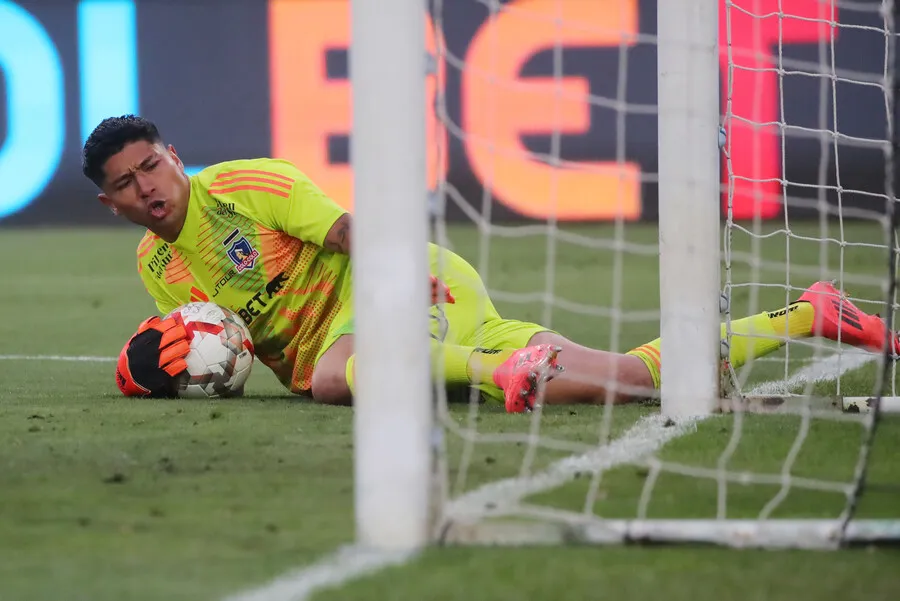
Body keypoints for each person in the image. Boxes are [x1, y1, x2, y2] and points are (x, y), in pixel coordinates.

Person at [83, 115, 899, 413]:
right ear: (109, 202)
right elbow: (228, 336)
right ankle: (810, 313)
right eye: (126, 184)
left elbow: (349, 231)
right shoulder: (157, 266)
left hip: (402, 292)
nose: (146, 188)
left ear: (174, 156)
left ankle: (494, 370)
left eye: (151, 166)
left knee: (334, 378)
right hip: (400, 343)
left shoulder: (248, 186)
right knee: (629, 381)